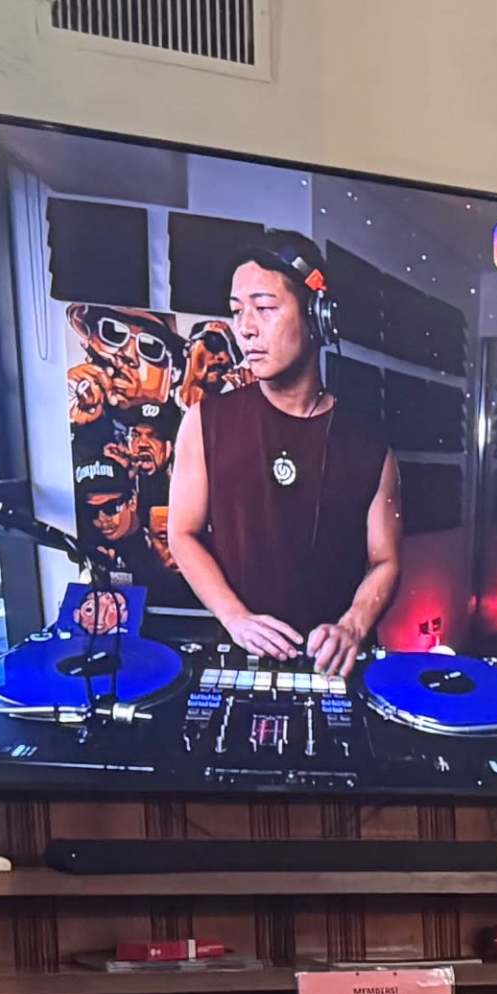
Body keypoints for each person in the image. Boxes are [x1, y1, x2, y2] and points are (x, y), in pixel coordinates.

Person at [164, 233, 399, 673]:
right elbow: (182, 534)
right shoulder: (203, 421)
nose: (246, 328)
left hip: (336, 663)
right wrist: (235, 617)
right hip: (239, 653)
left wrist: (353, 625)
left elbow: (385, 560)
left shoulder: (371, 442)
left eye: (265, 308)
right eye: (237, 311)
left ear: (317, 317)